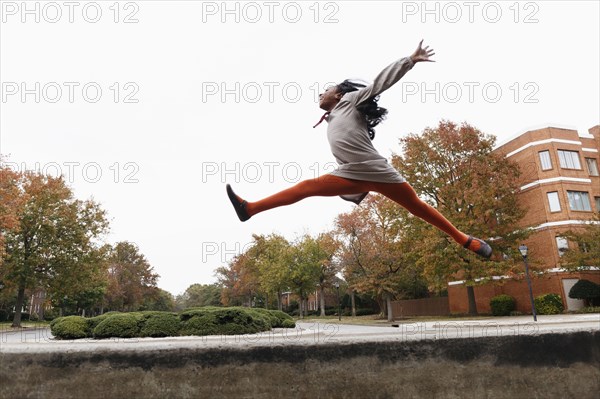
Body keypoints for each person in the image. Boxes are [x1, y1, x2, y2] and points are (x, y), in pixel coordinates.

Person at [226, 40, 492, 259]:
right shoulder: (331, 117)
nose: (320, 94)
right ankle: (249, 209)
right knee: (307, 187)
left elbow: (378, 84)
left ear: (340, 94)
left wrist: (409, 60)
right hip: (350, 173)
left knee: (417, 207)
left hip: (376, 170)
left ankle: (466, 240)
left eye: (325, 90)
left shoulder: (351, 100)